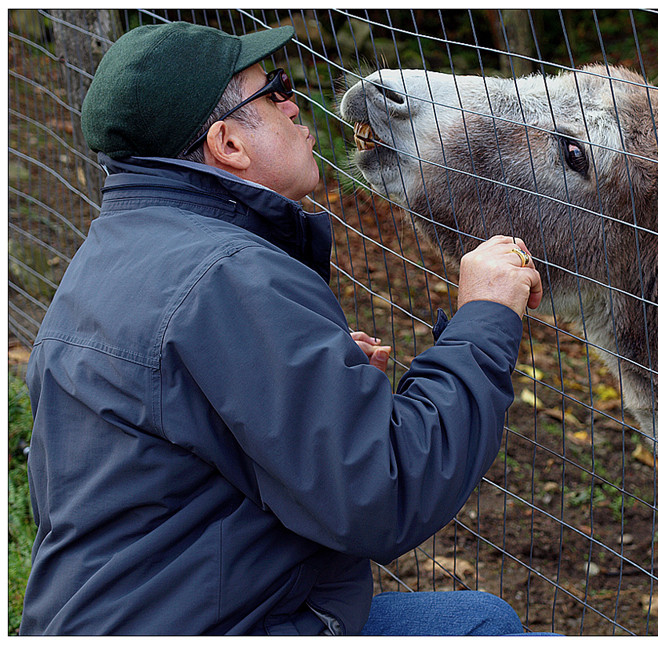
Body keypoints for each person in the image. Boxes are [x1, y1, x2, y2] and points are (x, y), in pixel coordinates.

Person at [20, 21, 545, 636]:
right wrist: (485, 317)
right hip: (218, 622)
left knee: (482, 613)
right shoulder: (230, 277)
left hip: (134, 610)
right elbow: (386, 492)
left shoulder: (115, 252)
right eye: (275, 91)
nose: (297, 107)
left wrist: (308, 385)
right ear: (229, 145)